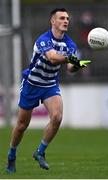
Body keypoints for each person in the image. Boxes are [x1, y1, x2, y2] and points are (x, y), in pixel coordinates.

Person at [6, 8, 91, 173]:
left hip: (50, 84)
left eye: (67, 18)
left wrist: (78, 66)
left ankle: (40, 151)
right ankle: (12, 154)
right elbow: (52, 58)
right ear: (53, 21)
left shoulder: (70, 44)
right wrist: (69, 58)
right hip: (32, 83)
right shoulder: (43, 39)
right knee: (22, 125)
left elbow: (70, 68)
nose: (66, 21)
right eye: (61, 18)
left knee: (57, 117)